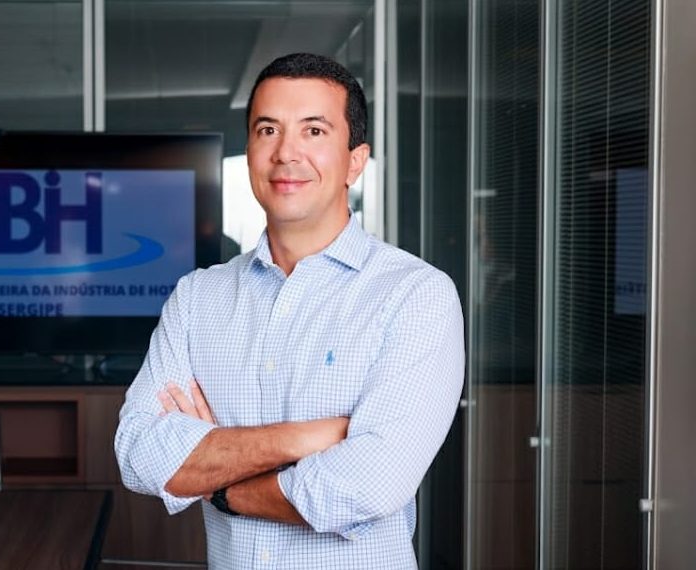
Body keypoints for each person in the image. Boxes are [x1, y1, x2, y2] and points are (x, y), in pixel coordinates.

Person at [114, 53, 464, 569]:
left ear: (355, 161)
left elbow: (368, 487)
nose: (286, 153)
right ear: (250, 152)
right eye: (268, 130)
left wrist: (219, 484)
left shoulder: (415, 296)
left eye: (314, 131)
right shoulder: (197, 299)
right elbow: (138, 456)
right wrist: (306, 438)